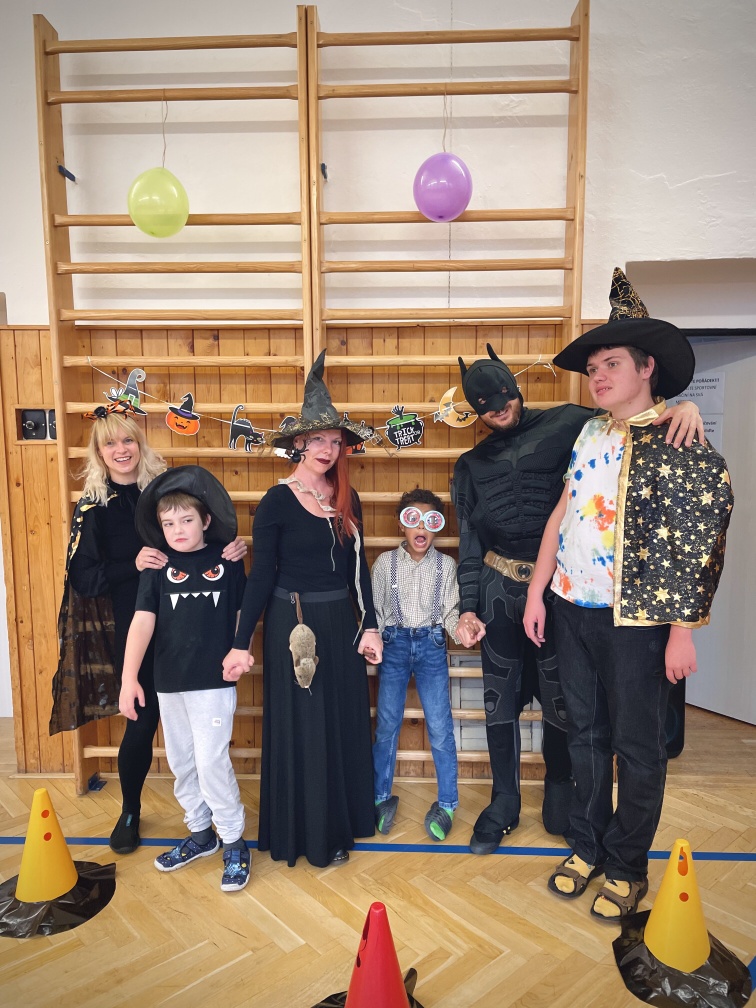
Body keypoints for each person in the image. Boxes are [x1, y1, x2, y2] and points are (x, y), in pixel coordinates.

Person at [451, 270, 704, 854]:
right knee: (502, 699)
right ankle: (505, 800)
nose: (498, 409)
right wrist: (468, 605)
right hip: (507, 589)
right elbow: (472, 541)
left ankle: (565, 796)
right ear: (472, 411)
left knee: (572, 705)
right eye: (484, 405)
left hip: (576, 597)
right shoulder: (475, 465)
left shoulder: (573, 423)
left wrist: (682, 407)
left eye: (504, 395)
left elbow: (638, 424)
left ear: (517, 388)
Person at [523, 272, 732, 920]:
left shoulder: (677, 436)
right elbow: (561, 515)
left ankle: (626, 866)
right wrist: (537, 592)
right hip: (571, 608)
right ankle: (587, 847)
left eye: (611, 363)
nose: (597, 377)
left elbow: (697, 539)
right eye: (592, 368)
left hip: (637, 622)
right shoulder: (589, 433)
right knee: (584, 735)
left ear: (647, 368)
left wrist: (682, 631)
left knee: (638, 747)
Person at [49, 408, 246, 855]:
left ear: (139, 445)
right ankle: (130, 810)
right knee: (141, 723)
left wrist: (231, 548)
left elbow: (200, 531)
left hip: (189, 627)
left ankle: (219, 827)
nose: (121, 450)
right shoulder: (94, 506)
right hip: (135, 624)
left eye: (128, 441)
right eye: (110, 443)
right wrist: (132, 564)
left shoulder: (163, 490)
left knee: (199, 739)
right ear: (99, 453)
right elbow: (81, 576)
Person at [222, 350, 382, 869]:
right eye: (318, 440)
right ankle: (309, 834)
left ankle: (341, 823)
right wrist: (240, 643)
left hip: (340, 625)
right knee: (307, 728)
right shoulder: (276, 501)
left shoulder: (347, 498)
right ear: (298, 443)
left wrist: (370, 626)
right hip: (293, 627)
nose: (328, 450)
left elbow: (358, 572)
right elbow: (260, 577)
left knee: (340, 723)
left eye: (335, 442)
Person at [120, 467, 250, 891]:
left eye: (187, 520)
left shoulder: (228, 561)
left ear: (206, 520)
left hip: (213, 682)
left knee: (212, 762)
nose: (177, 530)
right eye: (168, 523)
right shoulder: (156, 566)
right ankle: (201, 833)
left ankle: (234, 841)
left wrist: (241, 650)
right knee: (182, 762)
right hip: (168, 682)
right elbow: (142, 622)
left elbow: (242, 615)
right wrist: (128, 679)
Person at [371, 489, 460, 841]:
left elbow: (451, 614)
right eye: (413, 520)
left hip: (432, 645)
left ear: (437, 527)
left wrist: (462, 629)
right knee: (387, 724)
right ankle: (380, 797)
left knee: (440, 727)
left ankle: (447, 803)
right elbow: (376, 612)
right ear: (401, 525)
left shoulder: (446, 566)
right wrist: (374, 640)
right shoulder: (384, 564)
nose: (421, 528)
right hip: (393, 645)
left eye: (430, 521)